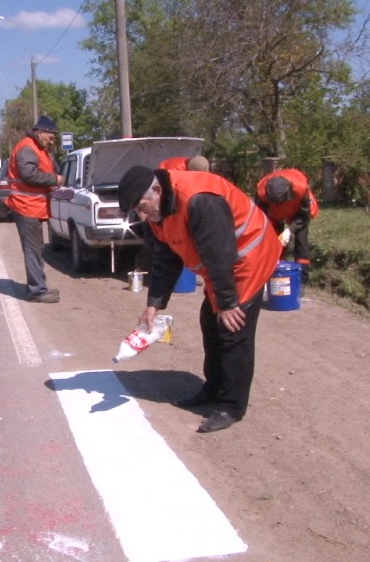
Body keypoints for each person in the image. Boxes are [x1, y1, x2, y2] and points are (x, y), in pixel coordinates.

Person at [117, 165, 281, 433]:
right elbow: (165, 258)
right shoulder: (159, 210)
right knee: (210, 322)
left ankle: (231, 406)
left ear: (157, 190)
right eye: (137, 211)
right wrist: (154, 304)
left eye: (143, 207)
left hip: (249, 256)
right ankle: (213, 388)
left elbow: (220, 253)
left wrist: (227, 303)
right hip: (223, 264)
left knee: (232, 329)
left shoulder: (200, 200)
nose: (142, 216)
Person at [5, 116, 65, 303]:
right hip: (26, 206)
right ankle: (37, 291)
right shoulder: (27, 148)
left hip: (32, 206)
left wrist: (51, 186)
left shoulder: (37, 148)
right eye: (51, 137)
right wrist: (55, 180)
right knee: (33, 250)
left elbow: (37, 174)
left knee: (37, 249)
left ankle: (39, 287)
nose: (52, 141)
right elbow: (29, 175)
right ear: (40, 133)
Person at [255, 169, 320, 284]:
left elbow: (304, 216)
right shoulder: (261, 193)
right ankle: (275, 274)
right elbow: (261, 217)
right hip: (274, 214)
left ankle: (302, 280)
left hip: (297, 211)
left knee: (301, 242)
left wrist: (289, 230)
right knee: (274, 244)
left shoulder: (301, 189)